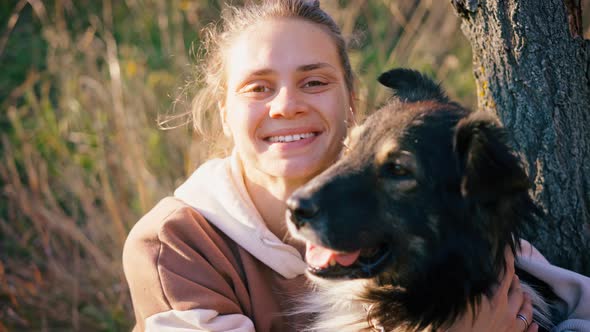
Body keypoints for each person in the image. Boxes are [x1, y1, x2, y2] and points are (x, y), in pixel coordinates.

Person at [122, 1, 590, 331]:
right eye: (257, 87)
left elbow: (562, 296)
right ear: (223, 110)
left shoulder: (448, 201)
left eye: (314, 80)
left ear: (352, 101)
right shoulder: (176, 244)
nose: (286, 105)